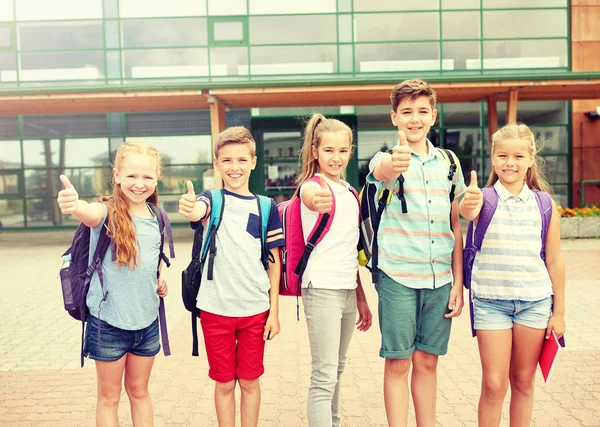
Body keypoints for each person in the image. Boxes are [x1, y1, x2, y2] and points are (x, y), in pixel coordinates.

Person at [367, 79, 466, 427]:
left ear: (433, 116)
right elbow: (382, 171)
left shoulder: (449, 163)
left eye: (422, 111)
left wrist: (458, 283)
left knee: (427, 362)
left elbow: (457, 224)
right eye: (406, 111)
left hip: (441, 279)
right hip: (397, 277)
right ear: (394, 117)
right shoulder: (386, 159)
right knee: (398, 362)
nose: (414, 118)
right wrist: (395, 162)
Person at [459, 123, 566, 427]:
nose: (510, 163)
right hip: (491, 304)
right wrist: (469, 203)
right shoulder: (483, 200)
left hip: (535, 304)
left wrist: (559, 313)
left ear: (531, 159)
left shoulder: (545, 205)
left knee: (523, 382)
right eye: (502, 155)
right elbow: (468, 211)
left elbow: (556, 262)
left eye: (519, 156)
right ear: (492, 158)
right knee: (494, 384)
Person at [177, 126, 284, 427]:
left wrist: (274, 312)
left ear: (253, 161)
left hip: (255, 311)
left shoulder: (266, 207)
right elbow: (198, 210)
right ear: (217, 164)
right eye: (226, 160)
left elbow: (274, 263)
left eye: (241, 160)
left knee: (250, 382)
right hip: (215, 309)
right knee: (224, 384)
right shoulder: (211, 198)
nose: (234, 167)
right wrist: (191, 208)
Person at [56, 141, 168, 426]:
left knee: (140, 392)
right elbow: (88, 213)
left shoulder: (157, 216)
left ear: (157, 178)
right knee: (109, 398)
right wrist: (74, 205)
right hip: (108, 324)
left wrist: (159, 277)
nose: (139, 184)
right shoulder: (105, 212)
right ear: (117, 175)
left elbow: (153, 260)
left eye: (147, 177)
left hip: (146, 323)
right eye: (131, 176)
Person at [297, 113, 373, 427]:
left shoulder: (351, 194)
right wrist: (314, 200)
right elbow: (307, 195)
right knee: (324, 375)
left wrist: (361, 298)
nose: (336, 157)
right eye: (329, 150)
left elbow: (349, 251)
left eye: (343, 150)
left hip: (346, 291)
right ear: (315, 151)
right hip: (321, 289)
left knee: (337, 370)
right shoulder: (311, 187)